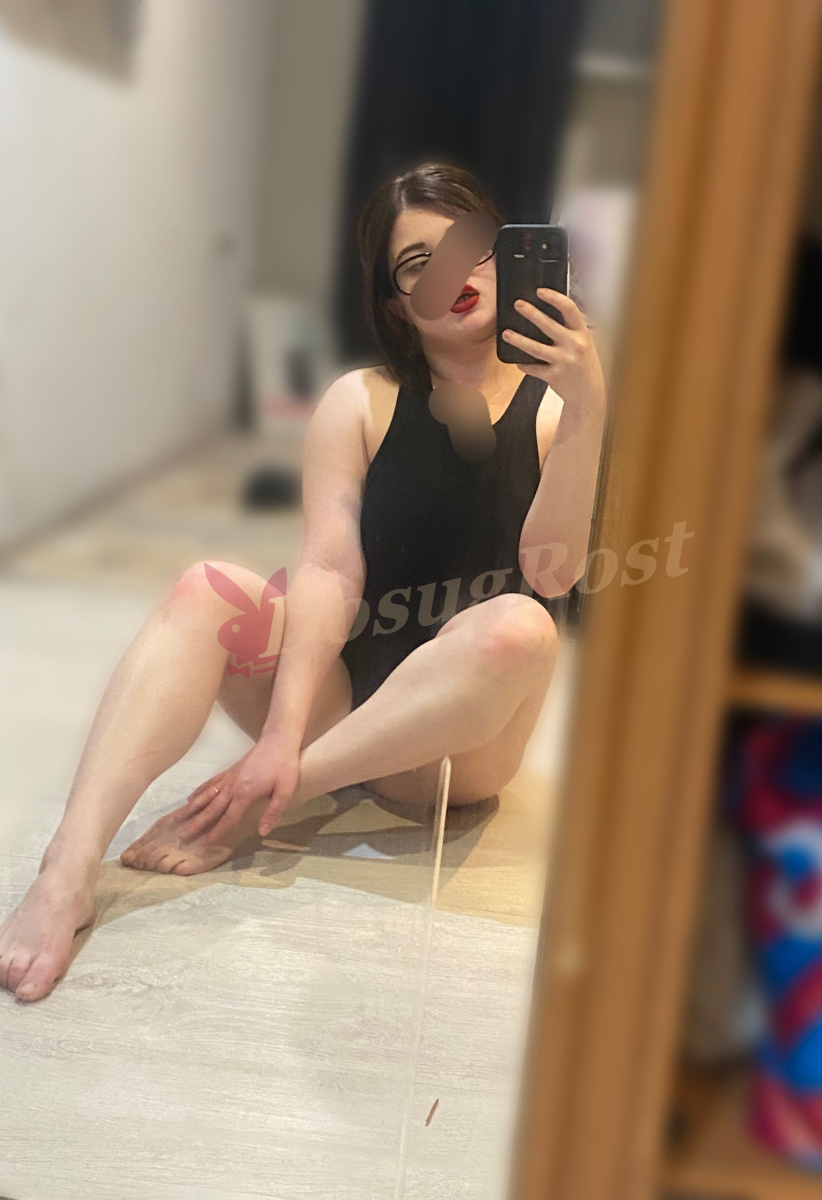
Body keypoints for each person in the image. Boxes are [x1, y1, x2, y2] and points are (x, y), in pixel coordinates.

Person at [0, 162, 606, 1003]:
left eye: (469, 247)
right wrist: (280, 735)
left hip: (455, 750)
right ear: (396, 302)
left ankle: (270, 798)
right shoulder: (359, 401)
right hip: (345, 702)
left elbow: (554, 574)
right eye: (417, 263)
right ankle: (66, 867)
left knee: (520, 625)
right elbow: (328, 567)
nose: (451, 274)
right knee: (208, 588)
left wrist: (587, 409)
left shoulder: (555, 409)